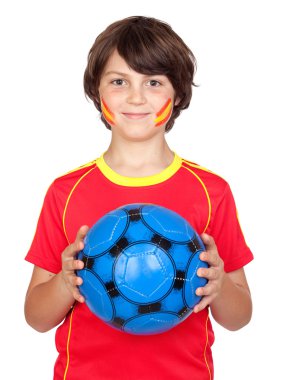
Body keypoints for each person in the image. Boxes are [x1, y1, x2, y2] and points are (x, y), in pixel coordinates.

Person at [24, 16, 253, 380]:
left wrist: (220, 285)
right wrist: (64, 283)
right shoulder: (66, 192)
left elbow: (239, 318)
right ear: (96, 91)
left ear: (176, 93)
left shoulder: (211, 191)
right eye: (119, 81)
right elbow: (36, 318)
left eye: (153, 82)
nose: (135, 97)